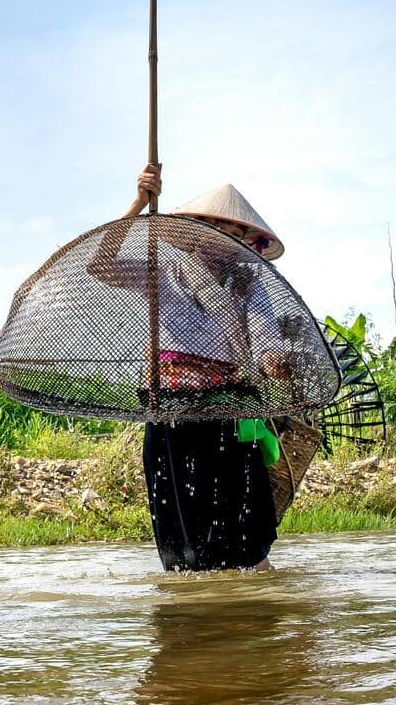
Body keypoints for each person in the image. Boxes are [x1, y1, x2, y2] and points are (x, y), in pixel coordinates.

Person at [96, 166, 312, 573]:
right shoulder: (163, 272)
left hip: (228, 410)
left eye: (235, 236)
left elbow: (265, 343)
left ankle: (253, 603)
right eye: (215, 231)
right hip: (171, 407)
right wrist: (139, 204)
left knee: (247, 528)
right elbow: (102, 265)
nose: (224, 242)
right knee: (182, 521)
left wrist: (276, 363)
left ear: (245, 244)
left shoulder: (248, 284)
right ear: (196, 235)